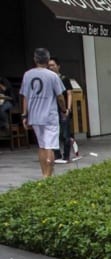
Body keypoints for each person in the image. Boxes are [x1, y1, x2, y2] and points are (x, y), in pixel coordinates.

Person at [19, 48, 65, 178]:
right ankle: (48, 176)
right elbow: (60, 96)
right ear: (47, 59)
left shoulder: (27, 75)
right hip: (49, 116)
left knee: (42, 145)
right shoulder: (53, 76)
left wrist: (24, 115)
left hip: (34, 116)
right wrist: (64, 110)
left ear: (35, 59)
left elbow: (25, 96)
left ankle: (43, 172)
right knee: (49, 145)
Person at [48, 58, 74, 164]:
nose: (51, 67)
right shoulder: (48, 79)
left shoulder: (64, 78)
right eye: (49, 65)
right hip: (52, 110)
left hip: (62, 109)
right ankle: (57, 155)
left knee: (65, 134)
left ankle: (66, 155)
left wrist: (68, 108)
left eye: (53, 65)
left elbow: (69, 93)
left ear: (58, 66)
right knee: (54, 134)